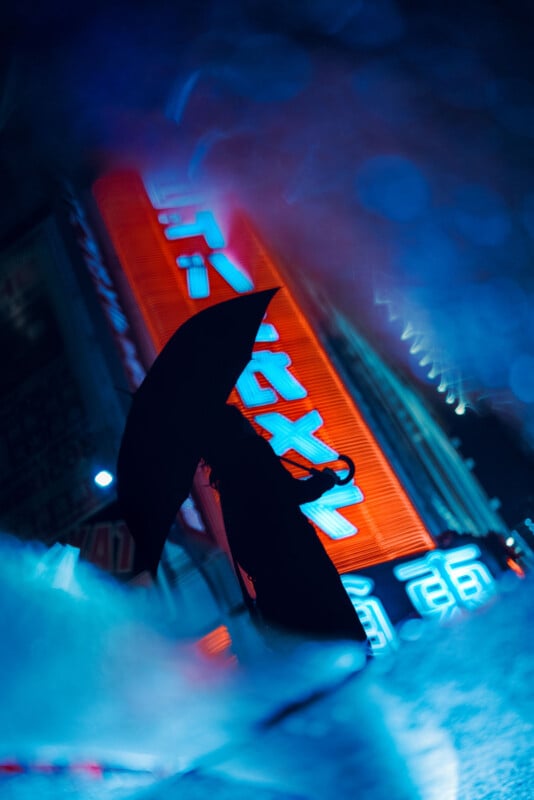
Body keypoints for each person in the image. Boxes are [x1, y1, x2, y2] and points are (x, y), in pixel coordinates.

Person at [201, 404, 367, 643]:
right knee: (337, 625)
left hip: (272, 579)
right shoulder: (252, 449)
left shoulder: (224, 475)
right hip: (299, 559)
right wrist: (324, 481)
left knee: (309, 642)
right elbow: (289, 493)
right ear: (237, 425)